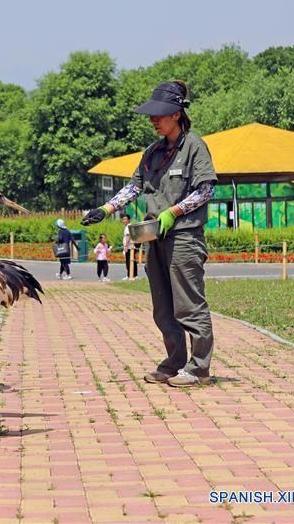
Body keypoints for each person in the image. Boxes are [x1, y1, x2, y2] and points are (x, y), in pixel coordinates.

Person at [82, 81, 217, 388]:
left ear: (177, 115)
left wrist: (176, 210)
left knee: (189, 305)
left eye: (160, 115)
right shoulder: (152, 152)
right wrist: (107, 208)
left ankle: (199, 369)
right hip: (155, 238)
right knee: (162, 307)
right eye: (151, 116)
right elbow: (135, 187)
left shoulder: (194, 146)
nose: (154, 120)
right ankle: (174, 363)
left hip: (184, 237)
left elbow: (206, 189)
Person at [120, 213, 138, 280]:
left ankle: (130, 275)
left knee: (129, 262)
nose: (123, 221)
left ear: (129, 220)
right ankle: (133, 275)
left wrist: (126, 246)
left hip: (130, 247)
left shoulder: (128, 226)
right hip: (131, 247)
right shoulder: (129, 226)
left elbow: (128, 235)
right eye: (123, 219)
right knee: (132, 261)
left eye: (125, 219)